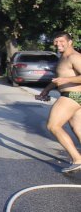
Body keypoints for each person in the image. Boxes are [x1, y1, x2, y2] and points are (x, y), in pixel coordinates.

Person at [35, 31, 81, 174]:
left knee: (53, 125)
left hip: (72, 95)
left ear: (70, 42)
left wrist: (66, 81)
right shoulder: (63, 57)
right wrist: (47, 89)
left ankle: (77, 160)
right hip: (72, 95)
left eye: (61, 41)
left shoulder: (74, 56)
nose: (58, 44)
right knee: (78, 129)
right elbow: (59, 77)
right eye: (56, 41)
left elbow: (67, 78)